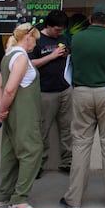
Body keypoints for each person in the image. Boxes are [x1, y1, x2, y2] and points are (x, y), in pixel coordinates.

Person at [60, 4, 105, 208]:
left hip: (82, 92)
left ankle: (73, 198)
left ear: (90, 19)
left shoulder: (77, 38)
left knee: (80, 144)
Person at [0, 23, 42, 208]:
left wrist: (1, 110)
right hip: (24, 114)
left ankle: (5, 194)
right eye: (34, 40)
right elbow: (10, 89)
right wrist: (2, 110)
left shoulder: (8, 56)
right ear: (27, 37)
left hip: (11, 114)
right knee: (31, 151)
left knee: (10, 153)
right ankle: (19, 199)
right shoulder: (21, 58)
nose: (35, 44)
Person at [29, 10, 72, 178]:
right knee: (42, 130)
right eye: (56, 29)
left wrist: (65, 53)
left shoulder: (63, 38)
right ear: (48, 26)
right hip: (45, 91)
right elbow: (31, 63)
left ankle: (67, 162)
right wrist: (52, 56)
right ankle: (38, 164)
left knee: (67, 128)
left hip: (64, 88)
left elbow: (68, 54)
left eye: (62, 29)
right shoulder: (37, 40)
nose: (59, 32)